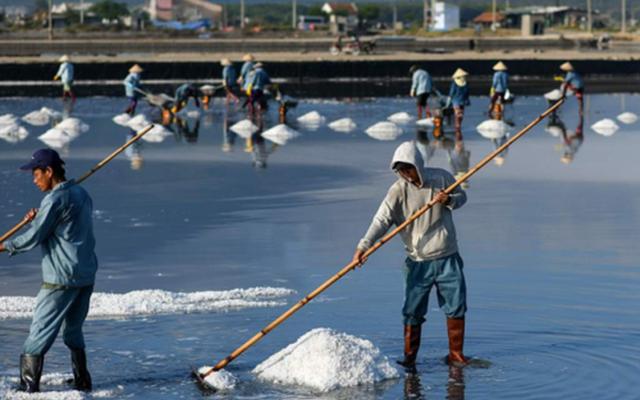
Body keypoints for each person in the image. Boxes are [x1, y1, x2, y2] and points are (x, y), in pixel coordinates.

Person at [352, 141, 469, 374]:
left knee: (456, 307)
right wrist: (363, 246)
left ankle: (455, 354)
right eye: (401, 170)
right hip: (418, 261)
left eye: (409, 169)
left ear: (419, 165)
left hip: (447, 256)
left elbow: (461, 197)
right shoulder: (398, 191)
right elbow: (382, 220)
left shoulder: (441, 178)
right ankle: (409, 358)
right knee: (413, 310)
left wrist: (449, 200)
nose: (406, 175)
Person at [0, 149, 97, 393]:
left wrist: (4, 246)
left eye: (36, 173)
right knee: (73, 332)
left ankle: (28, 389)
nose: (34, 180)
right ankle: (83, 382)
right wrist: (41, 218)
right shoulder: (81, 194)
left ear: (49, 171)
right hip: (85, 274)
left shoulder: (54, 200)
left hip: (60, 279)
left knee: (38, 335)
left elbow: (35, 237)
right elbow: (65, 228)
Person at [447, 69, 470, 141]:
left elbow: (451, 93)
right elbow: (467, 93)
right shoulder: (465, 83)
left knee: (457, 114)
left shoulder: (454, 83)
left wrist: (448, 103)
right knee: (461, 114)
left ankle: (457, 128)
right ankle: (459, 126)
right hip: (463, 102)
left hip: (456, 102)